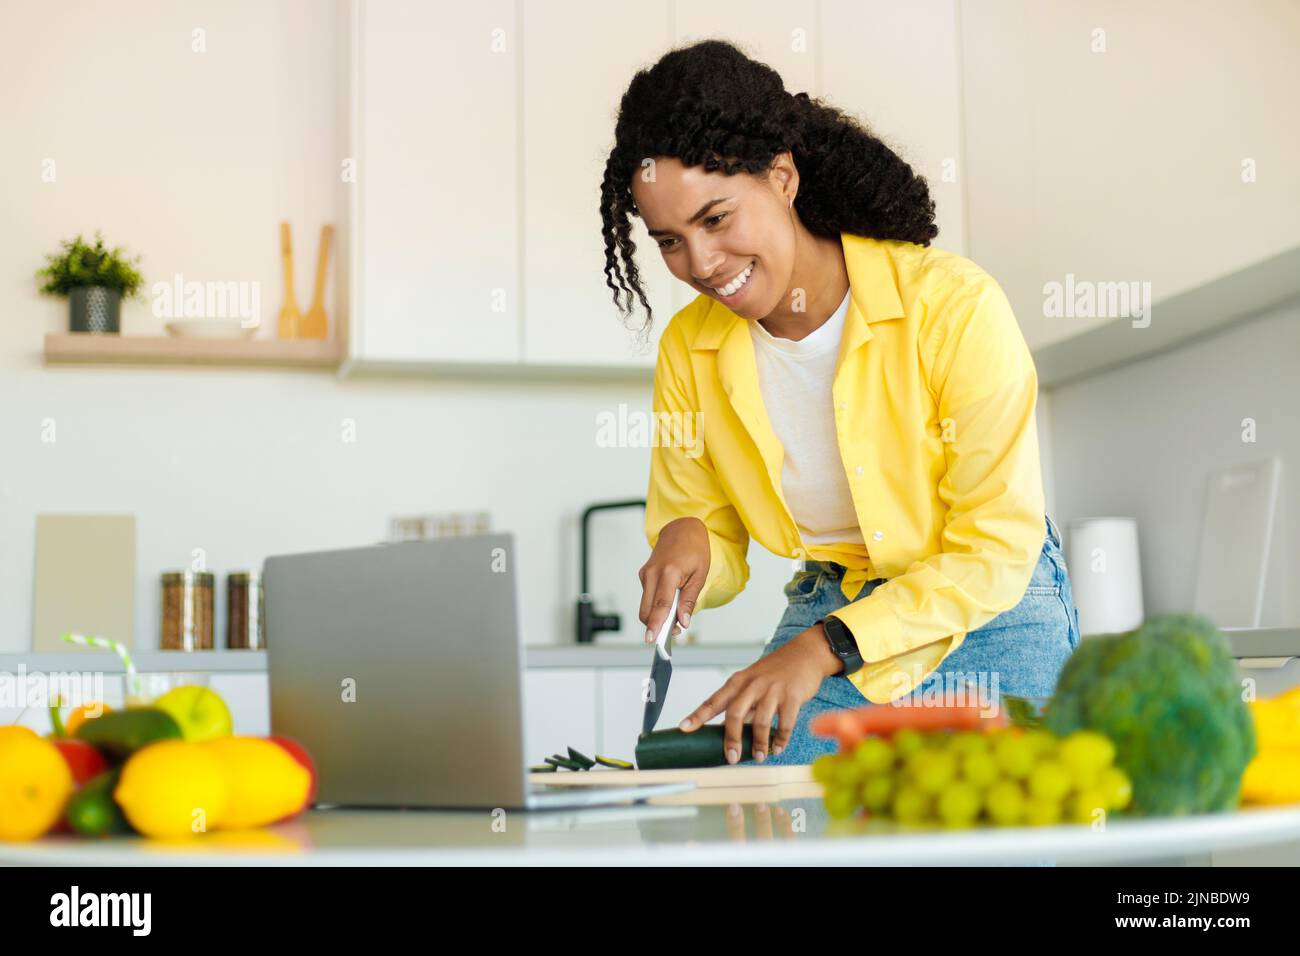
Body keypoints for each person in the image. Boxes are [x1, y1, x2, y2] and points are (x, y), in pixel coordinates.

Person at [600, 40, 1080, 767]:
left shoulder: (952, 307)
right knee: (756, 822)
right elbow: (710, 527)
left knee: (998, 838)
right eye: (670, 241)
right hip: (830, 610)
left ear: (782, 177)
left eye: (717, 220)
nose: (699, 265)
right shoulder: (688, 349)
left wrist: (821, 649)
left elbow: (993, 548)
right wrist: (690, 540)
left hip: (991, 617)